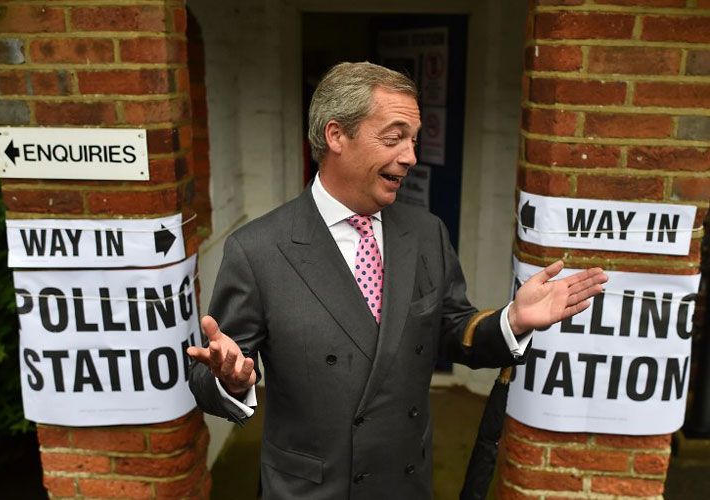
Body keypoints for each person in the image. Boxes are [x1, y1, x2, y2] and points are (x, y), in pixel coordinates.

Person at [188, 62, 607, 499]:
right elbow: (209, 374)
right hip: (310, 490)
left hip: (405, 482)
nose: (410, 155)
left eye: (413, 140)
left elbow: (451, 327)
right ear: (336, 136)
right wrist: (230, 381)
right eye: (393, 138)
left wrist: (513, 320)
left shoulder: (426, 232)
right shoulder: (258, 249)